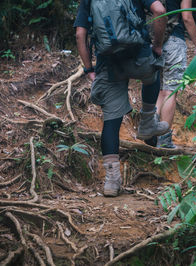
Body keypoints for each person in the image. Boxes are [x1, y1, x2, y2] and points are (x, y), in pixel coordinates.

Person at [74, 0, 169, 197]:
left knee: (111, 120)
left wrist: (88, 69)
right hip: (139, 57)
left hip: (108, 65)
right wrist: (157, 46)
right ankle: (147, 122)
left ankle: (111, 181)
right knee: (154, 72)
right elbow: (159, 10)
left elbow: (80, 35)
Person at [147, 0, 196, 148]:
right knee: (169, 91)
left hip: (152, 41)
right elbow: (187, 17)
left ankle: (150, 130)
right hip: (174, 42)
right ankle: (164, 140)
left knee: (160, 90)